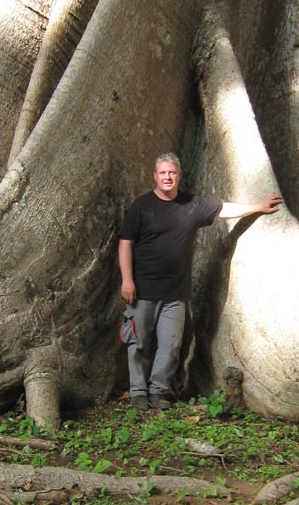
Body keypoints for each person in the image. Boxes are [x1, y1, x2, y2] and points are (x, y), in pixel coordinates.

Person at [118, 152, 282, 410]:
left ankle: (158, 392)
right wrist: (127, 280)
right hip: (142, 290)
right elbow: (125, 243)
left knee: (171, 345)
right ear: (155, 176)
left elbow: (223, 209)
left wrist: (257, 207)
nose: (168, 177)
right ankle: (138, 393)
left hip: (176, 293)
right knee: (137, 343)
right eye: (163, 173)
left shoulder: (191, 205)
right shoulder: (142, 206)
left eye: (172, 173)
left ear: (179, 175)